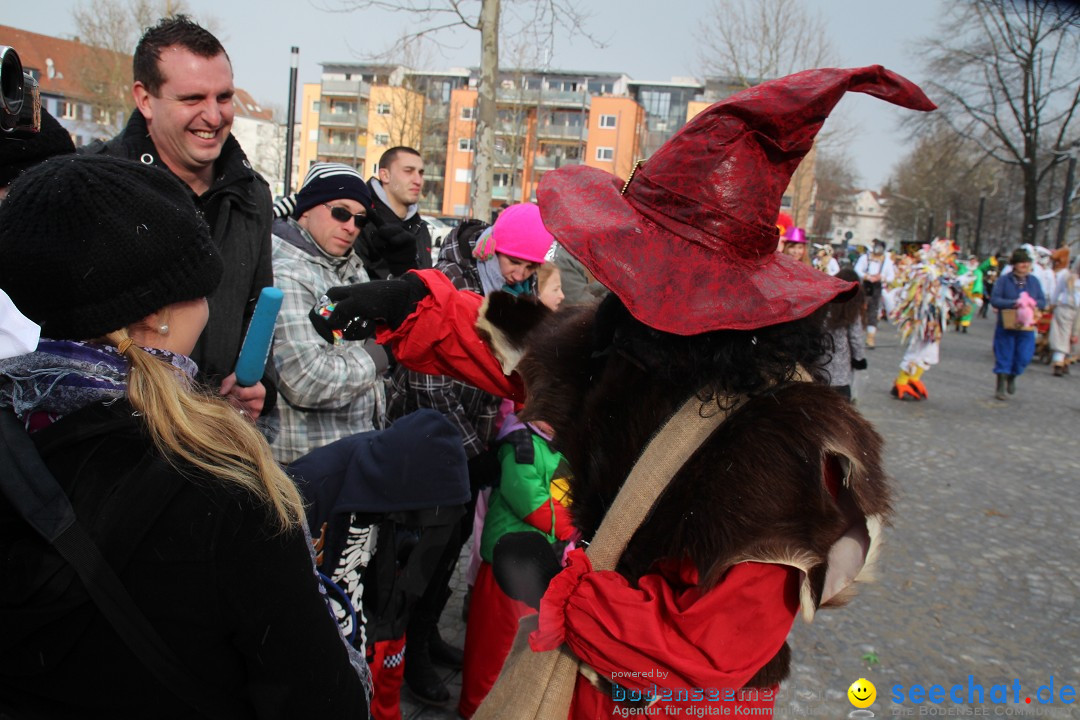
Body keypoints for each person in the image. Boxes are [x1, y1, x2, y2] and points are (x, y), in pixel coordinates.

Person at [315, 65, 930, 718]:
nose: (628, 282)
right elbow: (528, 347)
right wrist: (416, 302)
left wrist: (567, 589)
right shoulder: (643, 344)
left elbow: (713, 647)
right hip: (586, 679)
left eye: (655, 265)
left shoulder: (784, 444)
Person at [0, 155, 369, 718]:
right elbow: (322, 698)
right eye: (202, 291)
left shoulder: (18, 427)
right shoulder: (227, 491)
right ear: (160, 312)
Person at [383, 201, 554, 706]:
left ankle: (427, 635)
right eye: (515, 263)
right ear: (493, 248)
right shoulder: (453, 279)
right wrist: (474, 450)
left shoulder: (509, 285)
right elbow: (429, 380)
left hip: (470, 442)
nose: (521, 274)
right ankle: (407, 656)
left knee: (452, 549)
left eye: (530, 267)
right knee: (422, 556)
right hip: (432, 442)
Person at [84, 16, 274, 423]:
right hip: (121, 435)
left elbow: (257, 308)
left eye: (224, 97)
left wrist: (260, 386)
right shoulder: (93, 184)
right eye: (192, 99)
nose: (213, 115)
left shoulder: (253, 194)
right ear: (145, 99)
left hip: (219, 436)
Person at [458, 414, 574, 718]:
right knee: (495, 648)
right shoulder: (520, 444)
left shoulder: (558, 444)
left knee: (520, 649)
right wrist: (574, 527)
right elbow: (530, 501)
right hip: (507, 568)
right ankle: (475, 709)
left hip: (541, 564)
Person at [269, 162, 387, 464]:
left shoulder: (351, 269)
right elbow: (305, 379)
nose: (351, 226)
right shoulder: (287, 273)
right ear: (306, 209)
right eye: (341, 212)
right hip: (305, 464)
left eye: (360, 219)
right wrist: (380, 357)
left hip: (352, 454)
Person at [359, 146, 433, 280]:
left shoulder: (420, 227)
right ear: (385, 175)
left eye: (420, 173)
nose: (418, 180)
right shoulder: (361, 220)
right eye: (408, 171)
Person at [990, 248, 1047, 400]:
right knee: (1004, 354)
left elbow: (1042, 301)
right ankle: (1001, 384)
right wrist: (1014, 303)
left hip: (1027, 326)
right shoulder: (1004, 280)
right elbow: (995, 299)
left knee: (1024, 356)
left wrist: (1033, 304)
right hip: (1007, 324)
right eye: (1021, 262)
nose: (1024, 265)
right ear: (1014, 264)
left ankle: (1013, 375)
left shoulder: (1033, 281)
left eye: (1027, 262)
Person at [821, 267, 868, 401]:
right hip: (840, 371)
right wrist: (859, 359)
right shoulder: (852, 310)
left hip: (819, 366)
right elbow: (856, 338)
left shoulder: (823, 303)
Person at [855, 238, 896, 348]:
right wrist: (866, 276)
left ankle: (870, 338)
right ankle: (856, 336)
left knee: (873, 311)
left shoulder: (887, 261)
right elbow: (857, 269)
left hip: (877, 288)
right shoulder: (865, 257)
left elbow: (891, 277)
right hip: (865, 286)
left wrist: (881, 278)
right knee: (860, 310)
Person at [1049, 257, 1080, 376]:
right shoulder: (1067, 276)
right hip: (1065, 309)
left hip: (1078, 312)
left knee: (1074, 337)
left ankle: (1066, 359)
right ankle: (1058, 361)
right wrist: (1052, 304)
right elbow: (1058, 290)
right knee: (1062, 335)